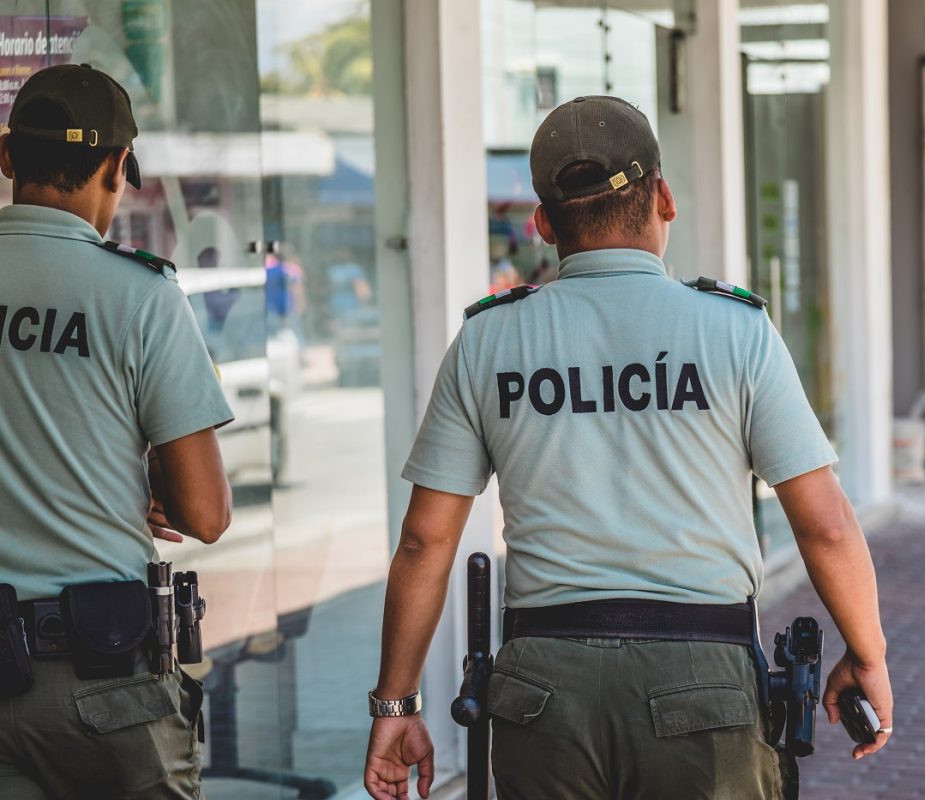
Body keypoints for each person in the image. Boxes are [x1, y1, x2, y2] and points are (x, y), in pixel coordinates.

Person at [364, 95, 892, 800]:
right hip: (704, 686)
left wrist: (396, 705)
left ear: (544, 223)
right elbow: (825, 524)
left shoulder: (488, 340)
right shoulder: (735, 331)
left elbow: (424, 541)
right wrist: (867, 653)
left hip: (541, 694)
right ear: (664, 198)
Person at [0, 64, 234, 798]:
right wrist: (150, 477)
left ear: (6, 156)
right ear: (116, 166)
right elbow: (205, 514)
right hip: (104, 677)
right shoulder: (140, 294)